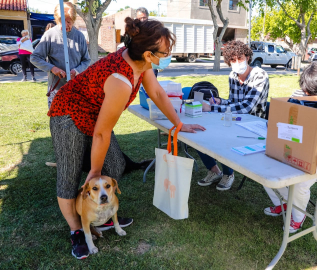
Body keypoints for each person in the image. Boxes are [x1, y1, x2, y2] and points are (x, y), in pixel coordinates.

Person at [47, 17, 205, 259]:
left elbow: (157, 92)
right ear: (149, 54)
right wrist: (94, 173)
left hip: (93, 113)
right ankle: (77, 230)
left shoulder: (142, 62)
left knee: (116, 165)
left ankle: (103, 216)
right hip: (68, 114)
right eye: (165, 52)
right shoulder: (121, 81)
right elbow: (102, 133)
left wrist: (178, 124)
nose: (168, 55)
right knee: (69, 175)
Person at [263, 59, 317, 233]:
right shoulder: (300, 94)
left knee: (300, 184)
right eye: (305, 88)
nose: (305, 92)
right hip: (294, 148)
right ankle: (283, 203)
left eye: (310, 91)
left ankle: (298, 217)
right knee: (263, 171)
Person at [199, 40, 269, 191]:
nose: (237, 62)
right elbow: (233, 102)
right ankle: (214, 170)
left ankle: (228, 174)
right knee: (199, 133)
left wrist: (211, 107)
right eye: (233, 60)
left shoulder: (260, 75)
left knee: (223, 137)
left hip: (253, 127)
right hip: (235, 120)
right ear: (228, 61)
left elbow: (246, 107)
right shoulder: (233, 75)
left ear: (248, 57)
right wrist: (219, 101)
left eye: (240, 58)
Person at [31, 2, 91, 109]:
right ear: (57, 19)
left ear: (73, 20)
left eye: (68, 22)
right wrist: (52, 68)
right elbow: (35, 58)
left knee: (76, 122)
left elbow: (86, 60)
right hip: (56, 89)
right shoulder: (49, 35)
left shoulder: (80, 36)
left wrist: (76, 71)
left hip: (76, 88)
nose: (65, 25)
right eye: (61, 21)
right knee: (57, 122)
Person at [135, 7, 159, 77]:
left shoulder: (153, 29)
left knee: (152, 84)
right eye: (140, 18)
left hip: (150, 63)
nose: (142, 20)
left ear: (147, 17)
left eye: (144, 18)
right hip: (137, 62)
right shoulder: (133, 30)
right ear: (136, 18)